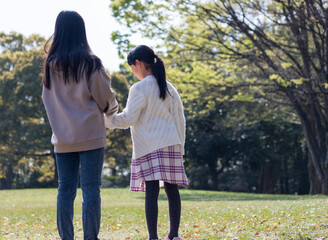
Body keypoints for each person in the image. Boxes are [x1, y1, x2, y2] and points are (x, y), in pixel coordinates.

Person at [42, 11, 118, 240]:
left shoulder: (49, 66)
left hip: (63, 137)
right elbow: (105, 97)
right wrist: (111, 110)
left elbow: (47, 100)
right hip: (91, 135)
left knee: (65, 190)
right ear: (81, 31)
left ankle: (66, 237)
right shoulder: (90, 62)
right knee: (91, 189)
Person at [105, 45, 188, 240]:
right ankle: (174, 235)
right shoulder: (169, 87)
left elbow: (129, 118)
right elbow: (180, 119)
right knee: (171, 188)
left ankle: (153, 238)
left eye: (132, 68)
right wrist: (180, 146)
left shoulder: (139, 88)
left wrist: (108, 120)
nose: (133, 72)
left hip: (150, 144)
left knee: (151, 190)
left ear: (138, 63)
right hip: (172, 142)